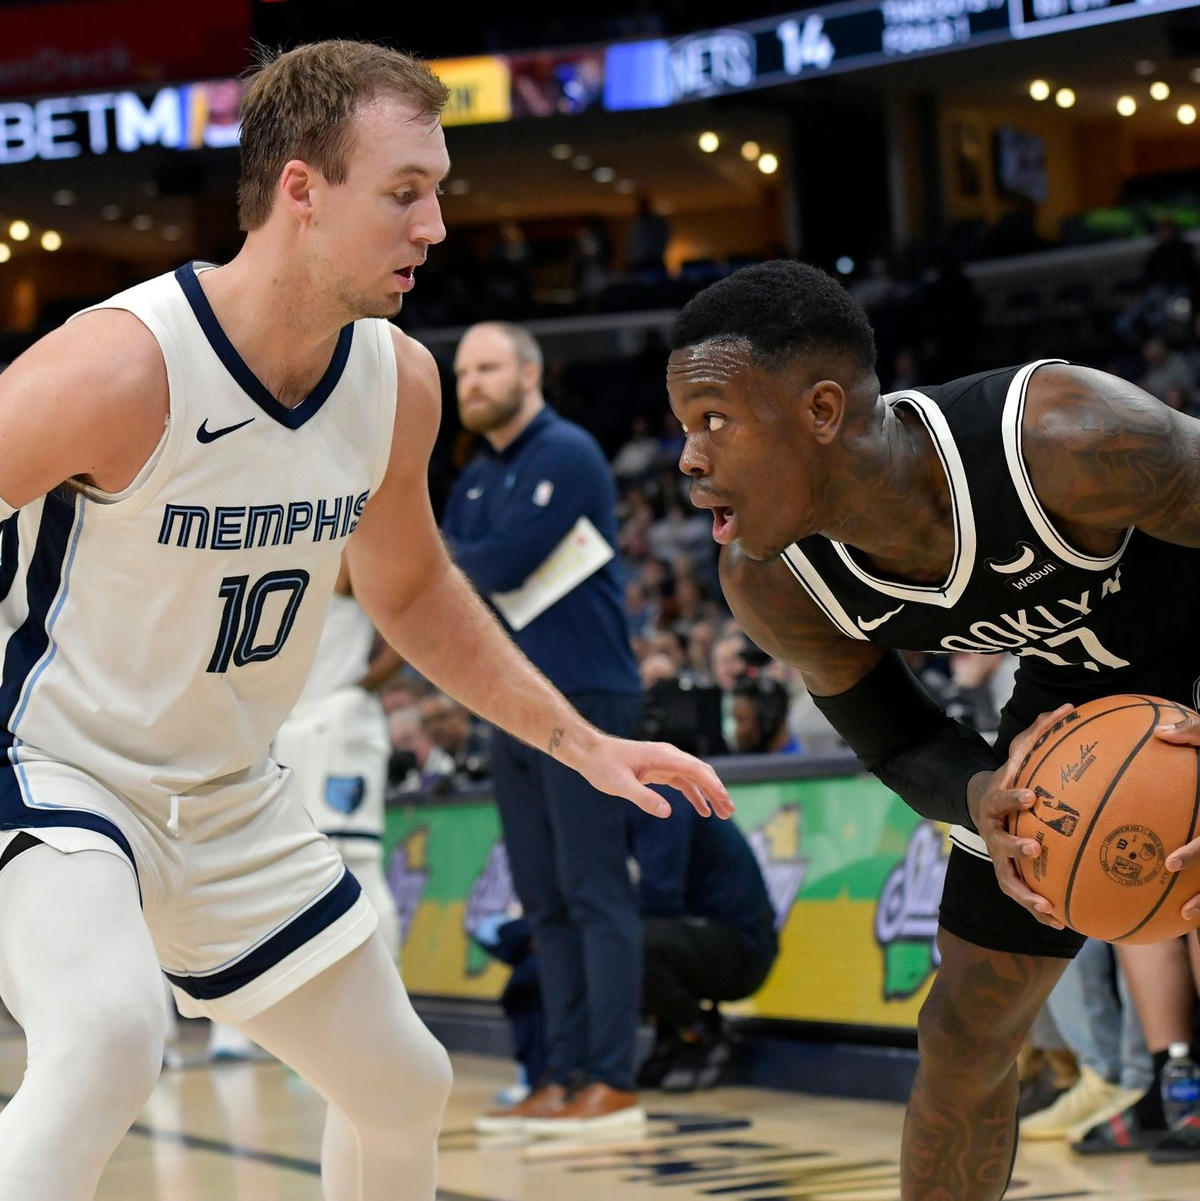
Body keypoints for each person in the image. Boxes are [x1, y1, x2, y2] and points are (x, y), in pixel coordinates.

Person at [0, 41, 731, 1200]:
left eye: (437, 191)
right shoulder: (122, 366)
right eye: (405, 192)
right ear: (302, 189)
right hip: (58, 767)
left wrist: (581, 743)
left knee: (403, 1086)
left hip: (230, 791)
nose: (436, 225)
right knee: (104, 1040)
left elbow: (414, 590)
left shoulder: (398, 384)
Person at [665, 258, 1200, 1198]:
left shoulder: (1061, 435)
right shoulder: (775, 580)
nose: (689, 458)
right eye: (683, 428)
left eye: (714, 420)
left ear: (822, 412)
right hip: (1079, 710)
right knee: (964, 1025)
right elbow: (898, 739)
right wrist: (978, 793)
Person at [445, 321, 658, 1136]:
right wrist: (462, 557)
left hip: (587, 697)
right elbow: (453, 572)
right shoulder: (472, 479)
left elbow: (493, 568)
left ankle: (612, 1077)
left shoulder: (567, 452)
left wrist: (459, 556)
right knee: (544, 897)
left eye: (487, 366)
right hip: (512, 705)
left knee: (594, 888)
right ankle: (562, 1073)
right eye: (463, 370)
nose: (471, 382)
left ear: (530, 372)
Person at [628, 798, 778, 1092]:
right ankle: (670, 1033)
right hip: (701, 934)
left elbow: (661, 895)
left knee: (626, 940)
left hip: (742, 947)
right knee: (610, 936)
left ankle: (701, 1030)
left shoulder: (660, 798)